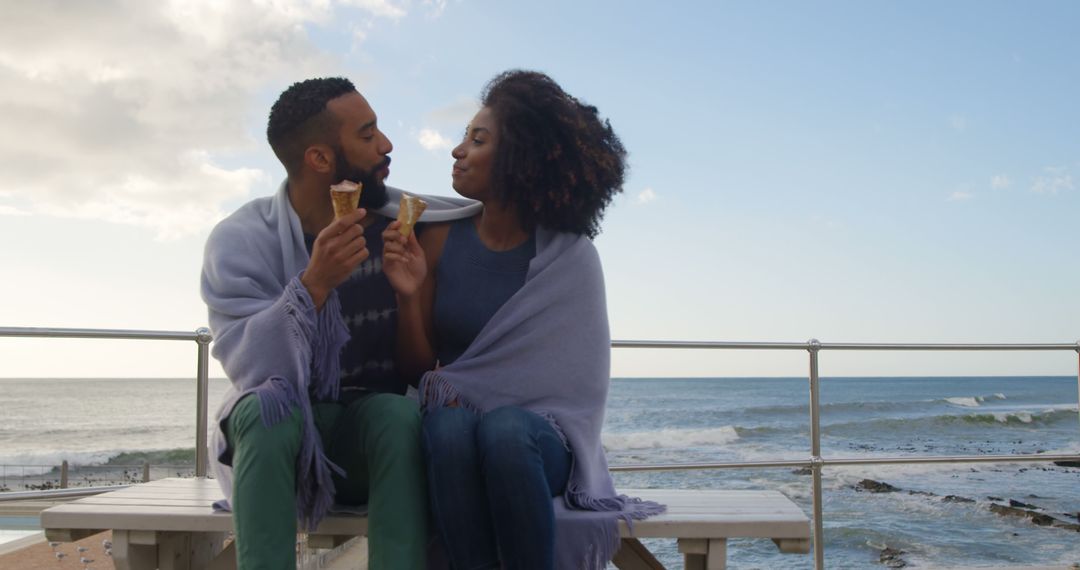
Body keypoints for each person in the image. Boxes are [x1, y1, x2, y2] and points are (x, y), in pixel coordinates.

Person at [383, 70, 664, 570]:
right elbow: (419, 371)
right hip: (456, 435)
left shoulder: (568, 257)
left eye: (477, 139)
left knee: (508, 430)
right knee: (447, 427)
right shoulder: (437, 239)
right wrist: (407, 296)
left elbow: (579, 386)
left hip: (542, 445)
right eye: (464, 136)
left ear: (519, 159)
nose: (457, 150)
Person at [200, 77, 478, 570]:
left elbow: (494, 215)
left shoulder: (404, 225)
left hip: (367, 438)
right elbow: (248, 367)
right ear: (321, 159)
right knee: (265, 410)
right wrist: (311, 288)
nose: (387, 145)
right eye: (368, 135)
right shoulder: (239, 240)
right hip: (280, 445)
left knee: (398, 416)